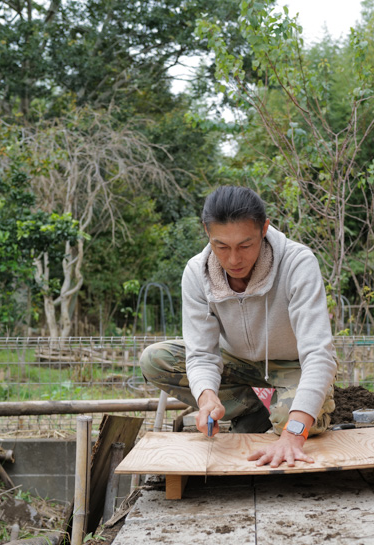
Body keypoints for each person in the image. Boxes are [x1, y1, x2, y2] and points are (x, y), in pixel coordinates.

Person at [140, 185, 337, 468]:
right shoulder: (196, 272)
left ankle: (282, 413)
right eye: (222, 246)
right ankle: (255, 409)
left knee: (293, 424)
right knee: (156, 360)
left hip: (294, 364)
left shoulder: (297, 263)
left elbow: (319, 355)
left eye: (245, 245)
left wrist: (294, 435)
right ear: (207, 232)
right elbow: (202, 355)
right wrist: (207, 397)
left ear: (264, 229)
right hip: (234, 361)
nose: (234, 260)